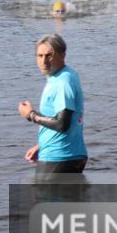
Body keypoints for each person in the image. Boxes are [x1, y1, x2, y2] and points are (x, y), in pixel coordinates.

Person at [18, 34, 88, 179]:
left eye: (49, 55)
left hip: (59, 157)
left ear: (62, 55)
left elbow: (62, 124)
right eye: (40, 55)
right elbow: (71, 120)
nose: (44, 61)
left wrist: (31, 115)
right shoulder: (66, 75)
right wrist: (42, 145)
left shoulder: (61, 83)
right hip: (66, 155)